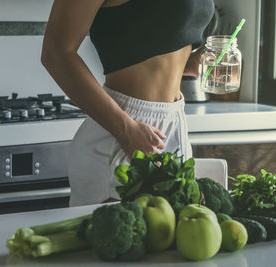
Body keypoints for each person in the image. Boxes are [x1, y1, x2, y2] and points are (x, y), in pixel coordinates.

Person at [41, 0, 214, 206]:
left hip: (174, 123)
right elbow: (56, 53)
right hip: (122, 128)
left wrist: (193, 62)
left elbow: (149, 46)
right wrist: (125, 129)